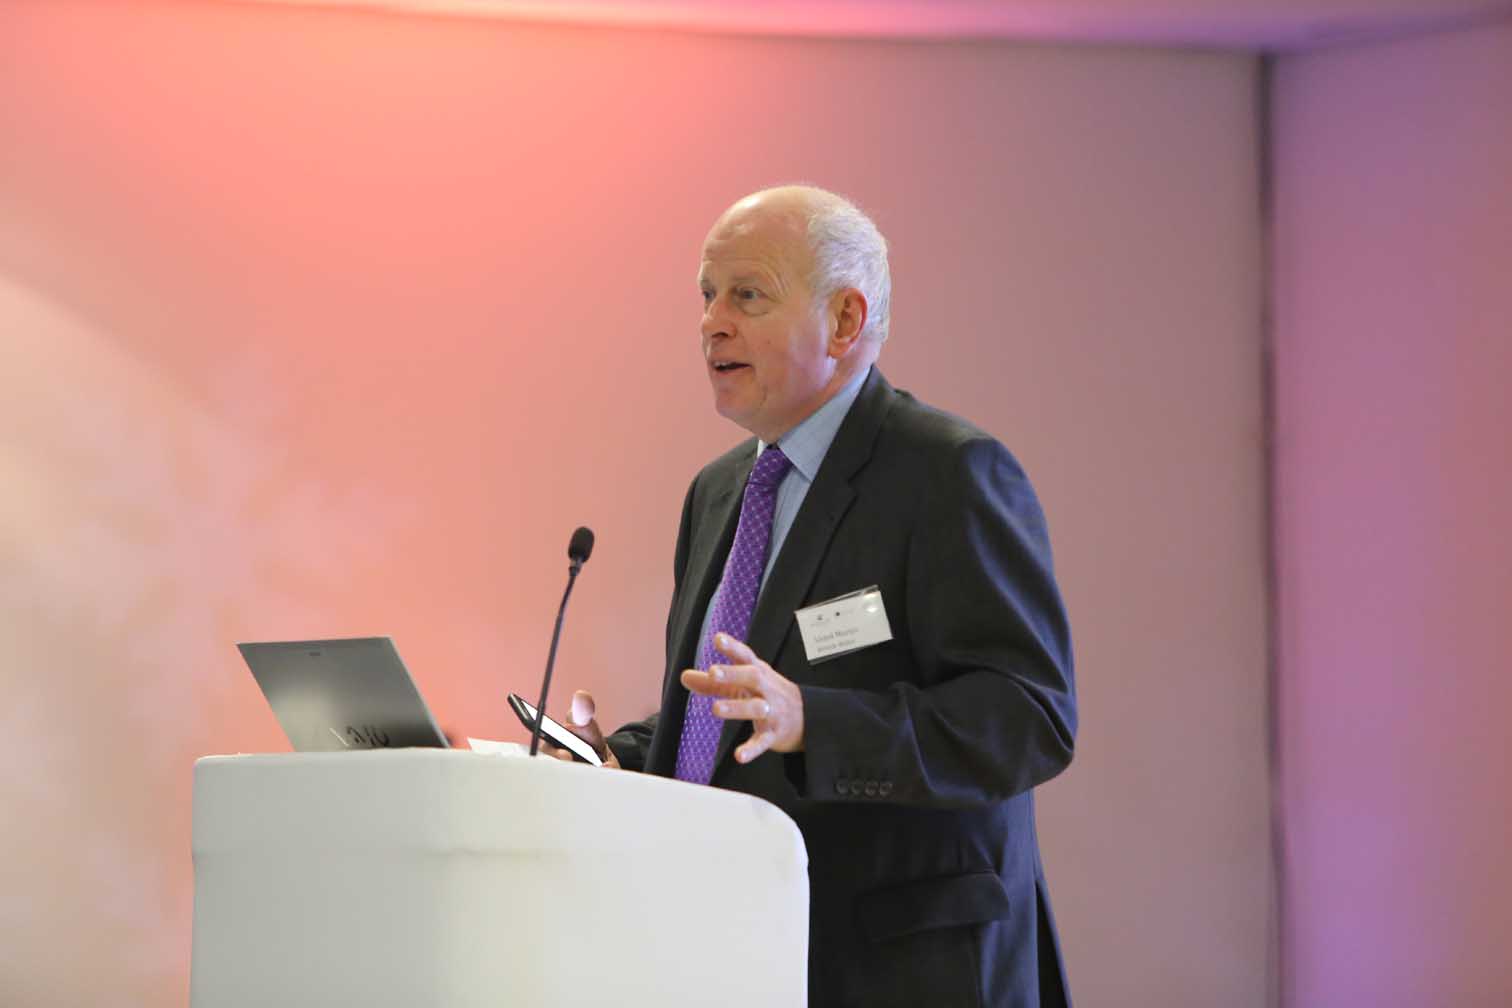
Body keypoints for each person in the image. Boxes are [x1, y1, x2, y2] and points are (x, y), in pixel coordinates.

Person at [545, 185, 1076, 1007]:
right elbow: (739, 711)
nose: (712, 322)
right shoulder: (719, 491)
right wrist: (621, 754)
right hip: (741, 954)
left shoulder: (948, 473)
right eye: (707, 295)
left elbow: (1026, 719)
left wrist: (813, 722)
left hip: (904, 969)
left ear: (844, 321)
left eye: (747, 295)